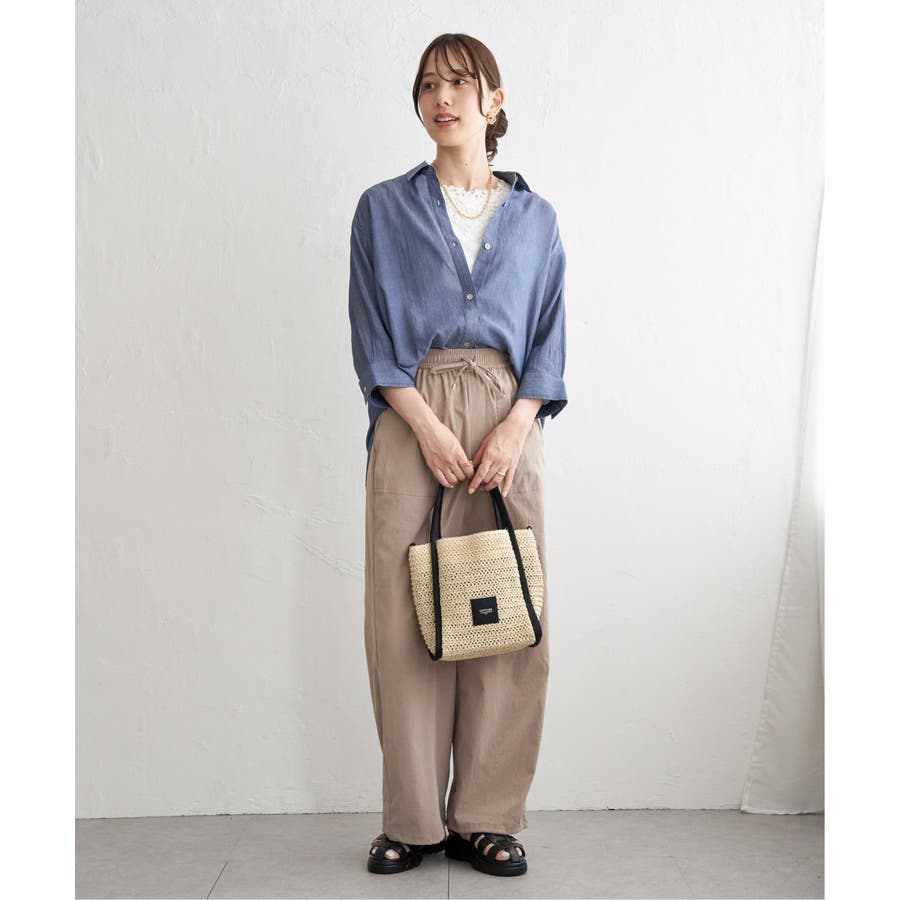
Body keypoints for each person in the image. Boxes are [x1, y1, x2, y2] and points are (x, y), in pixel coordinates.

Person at [348, 33, 568, 878]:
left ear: (494, 101)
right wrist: (427, 427)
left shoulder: (538, 221)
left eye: (460, 83)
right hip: (413, 418)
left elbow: (548, 341)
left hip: (510, 420)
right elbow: (373, 337)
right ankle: (412, 819)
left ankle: (487, 814)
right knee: (405, 616)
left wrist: (515, 427)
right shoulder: (382, 210)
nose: (442, 98)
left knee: (505, 609)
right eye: (428, 85)